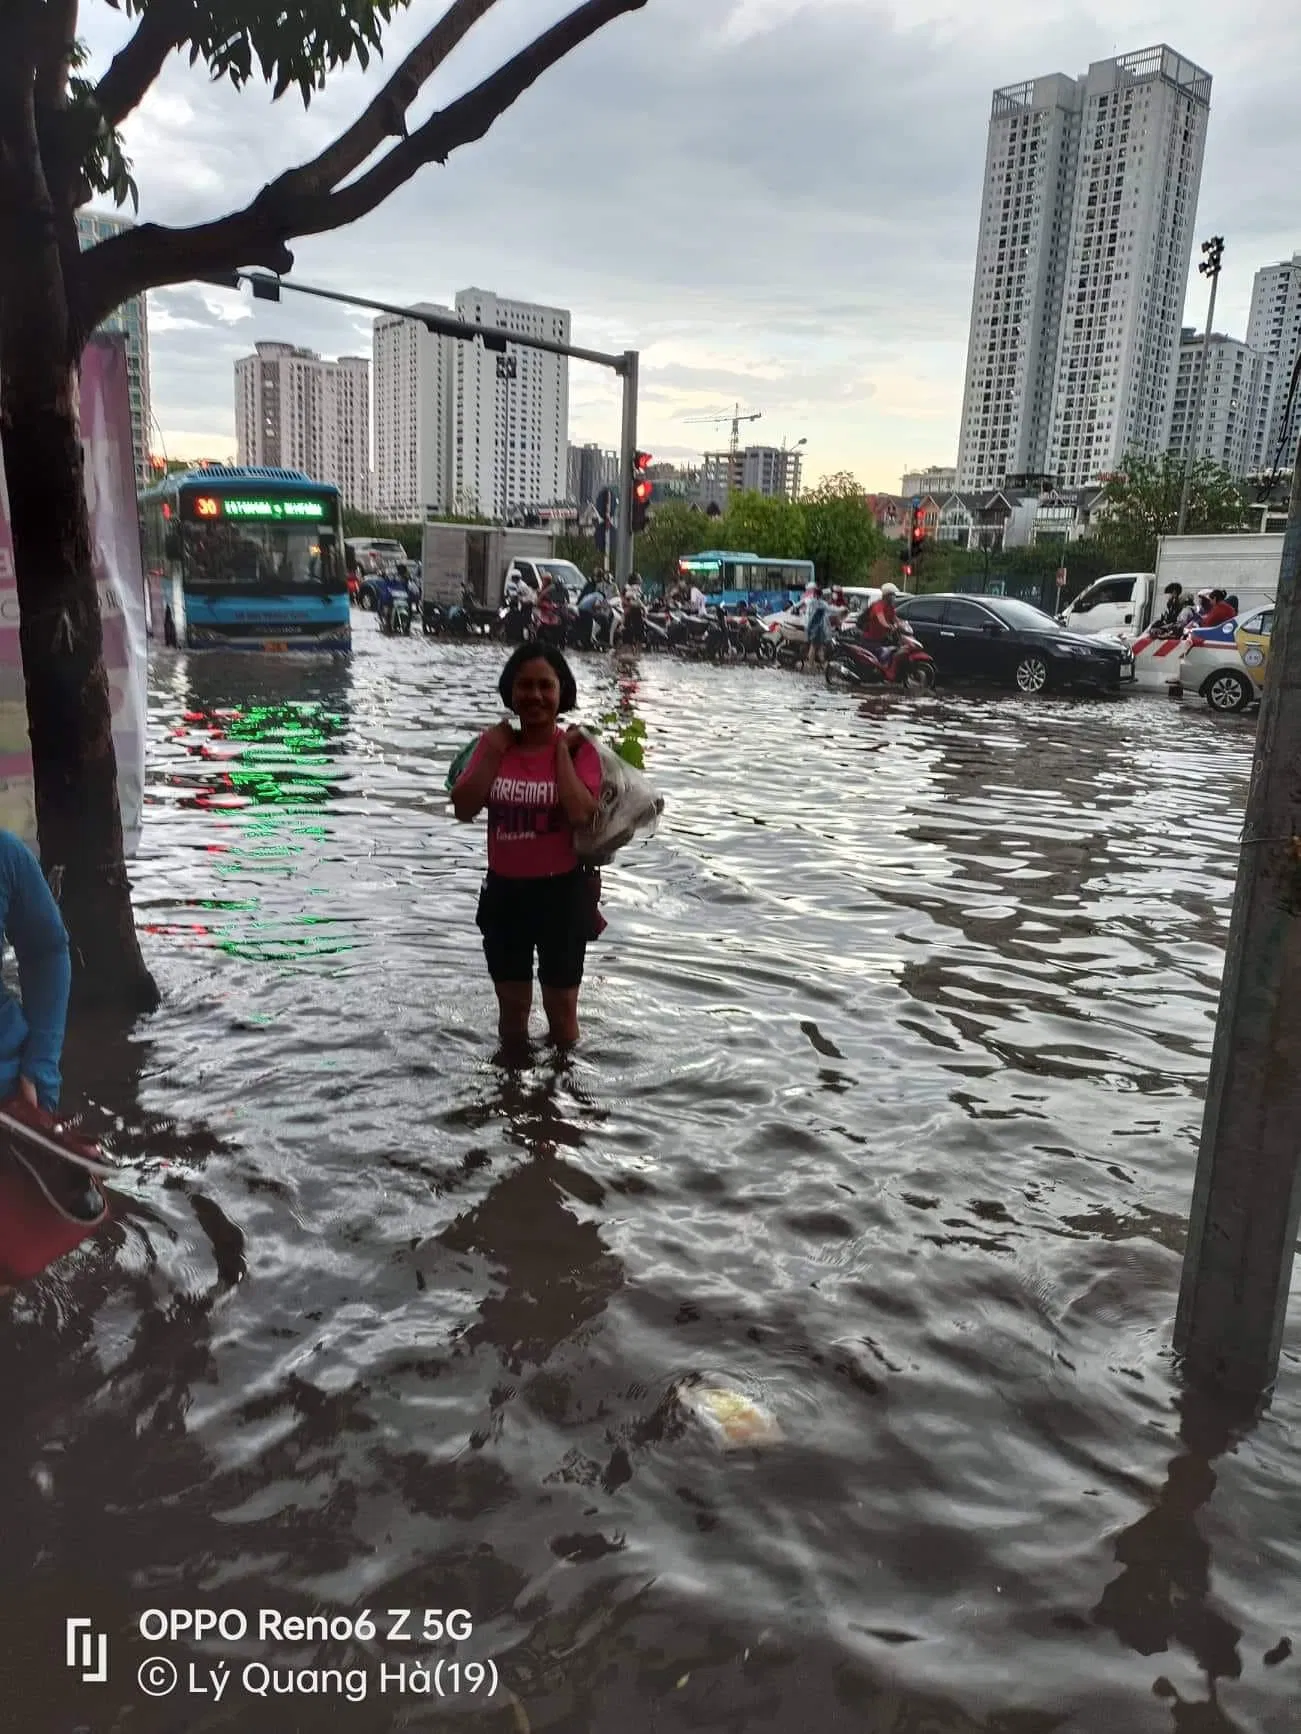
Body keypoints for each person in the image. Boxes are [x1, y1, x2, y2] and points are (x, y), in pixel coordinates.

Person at [452, 646, 603, 1048]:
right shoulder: (493, 745)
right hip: (505, 895)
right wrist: (493, 748)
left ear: (562, 691)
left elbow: (580, 814)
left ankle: (562, 1084)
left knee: (562, 1014)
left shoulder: (580, 749)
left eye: (545, 686)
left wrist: (560, 752)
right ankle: (511, 1083)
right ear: (510, 691)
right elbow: (464, 808)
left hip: (562, 896)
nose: (535, 695)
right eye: (524, 685)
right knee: (512, 1014)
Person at [0, 831, 98, 1223]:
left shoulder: (6, 855)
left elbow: (46, 950)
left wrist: (39, 1066)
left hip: (10, 1082)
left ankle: (34, 1137)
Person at [858, 583, 903, 670]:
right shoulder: (878, 605)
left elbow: (895, 618)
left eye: (894, 594)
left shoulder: (890, 607)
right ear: (886, 595)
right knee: (881, 656)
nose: (894, 596)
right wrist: (889, 626)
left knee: (893, 649)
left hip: (882, 637)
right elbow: (881, 619)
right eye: (892, 594)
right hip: (870, 638)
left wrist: (903, 624)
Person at [804, 585, 831, 668]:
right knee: (818, 647)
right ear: (821, 595)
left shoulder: (811, 603)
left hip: (814, 628)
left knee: (814, 647)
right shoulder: (823, 604)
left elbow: (808, 616)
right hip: (820, 629)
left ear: (815, 594)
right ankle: (821, 664)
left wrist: (807, 627)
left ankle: (812, 664)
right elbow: (828, 615)